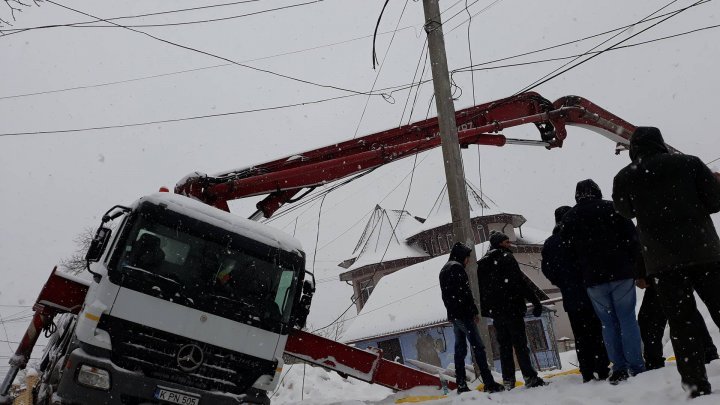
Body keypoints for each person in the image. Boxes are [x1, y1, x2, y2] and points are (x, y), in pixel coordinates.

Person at [613, 126, 720, 398]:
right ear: (660, 143)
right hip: (703, 252)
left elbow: (625, 211)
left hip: (662, 261)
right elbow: (714, 202)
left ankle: (696, 383)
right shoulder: (689, 163)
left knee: (682, 323)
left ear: (633, 148)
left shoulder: (625, 177)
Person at [561, 179, 645, 384]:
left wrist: (582, 272)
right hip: (621, 273)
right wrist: (636, 268)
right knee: (627, 320)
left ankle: (618, 367)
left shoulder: (569, 218)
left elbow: (567, 253)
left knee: (607, 324)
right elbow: (634, 240)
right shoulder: (613, 209)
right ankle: (636, 365)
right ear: (597, 192)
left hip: (593, 279)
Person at [541, 206, 610, 382]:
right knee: (596, 332)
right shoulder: (581, 236)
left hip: (571, 295)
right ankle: (602, 367)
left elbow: (547, 270)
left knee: (580, 335)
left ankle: (586, 371)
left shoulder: (550, 243)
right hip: (591, 292)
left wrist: (563, 282)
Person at [477, 232, 546, 390]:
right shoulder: (507, 258)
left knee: (504, 346)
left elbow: (482, 290)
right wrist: (535, 301)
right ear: (500, 244)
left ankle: (508, 380)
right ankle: (529, 376)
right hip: (512, 308)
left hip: (496, 312)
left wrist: (488, 309)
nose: (510, 244)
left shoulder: (482, 264)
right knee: (520, 344)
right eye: (507, 242)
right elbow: (519, 283)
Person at [439, 242, 504, 394]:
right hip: (464, 314)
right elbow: (464, 293)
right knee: (478, 347)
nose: (468, 261)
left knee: (460, 349)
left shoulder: (444, 269)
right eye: (467, 257)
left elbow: (446, 296)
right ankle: (489, 383)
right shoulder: (457, 268)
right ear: (463, 256)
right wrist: (473, 312)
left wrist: (451, 313)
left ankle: (461, 385)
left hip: (455, 315)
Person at [635, 257, 718, 371]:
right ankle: (708, 353)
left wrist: (642, 274)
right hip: (678, 264)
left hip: (664, 267)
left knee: (655, 317)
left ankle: (654, 363)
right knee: (685, 310)